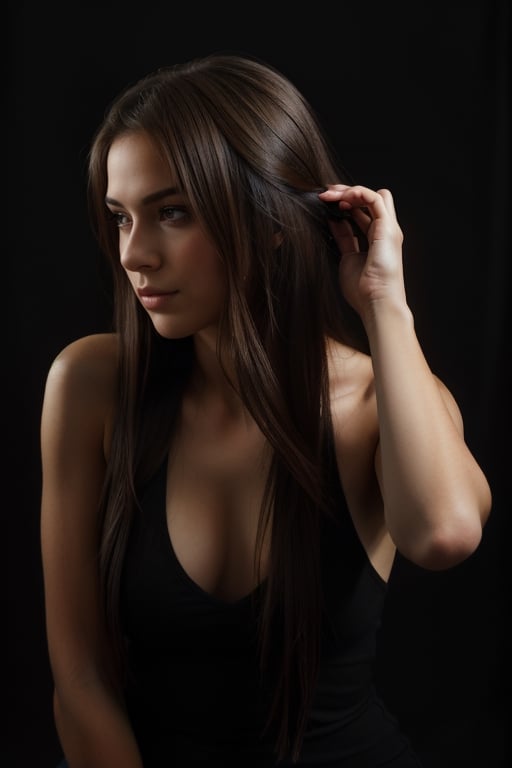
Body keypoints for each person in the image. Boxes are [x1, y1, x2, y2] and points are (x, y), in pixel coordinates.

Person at [40, 53, 492, 768]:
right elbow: (82, 679)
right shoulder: (93, 384)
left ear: (272, 220)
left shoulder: (382, 402)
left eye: (173, 213)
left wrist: (385, 308)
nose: (135, 254)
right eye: (121, 217)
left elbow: (442, 535)